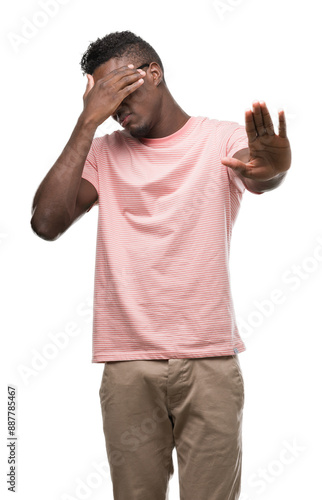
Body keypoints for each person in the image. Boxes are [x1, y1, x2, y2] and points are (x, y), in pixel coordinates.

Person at [30, 30, 291, 500]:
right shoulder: (104, 151)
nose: (115, 108)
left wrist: (274, 169)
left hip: (209, 360)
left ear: (154, 73)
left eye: (120, 91)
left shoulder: (221, 138)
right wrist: (87, 123)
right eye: (104, 100)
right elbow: (47, 223)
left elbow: (257, 169)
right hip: (128, 364)